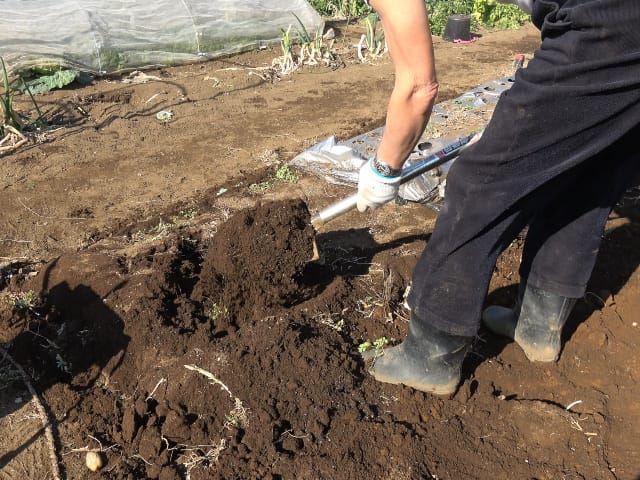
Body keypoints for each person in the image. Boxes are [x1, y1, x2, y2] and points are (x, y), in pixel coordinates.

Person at [356, 0, 640, 395]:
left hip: (611, 22)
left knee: (480, 180)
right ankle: (537, 327)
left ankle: (430, 354)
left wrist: (383, 168)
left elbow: (419, 88)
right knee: (589, 167)